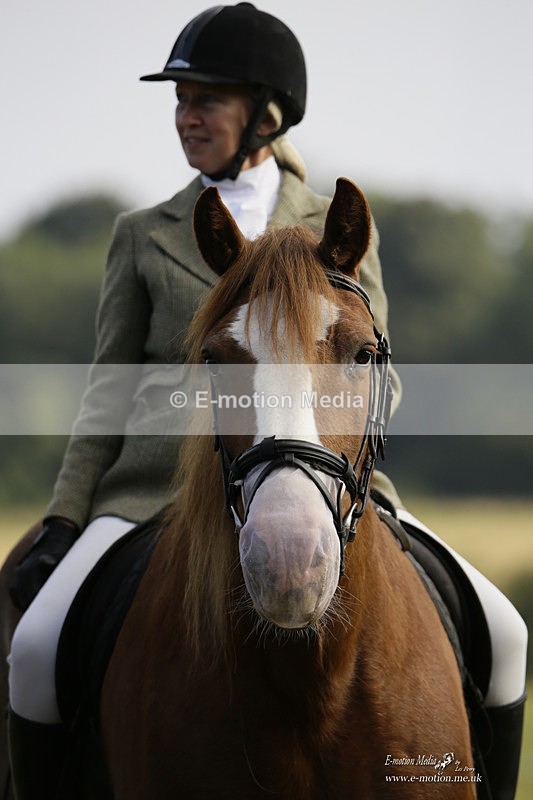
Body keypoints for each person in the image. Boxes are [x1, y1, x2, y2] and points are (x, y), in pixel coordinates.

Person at [6, 4, 526, 799]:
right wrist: (66, 514)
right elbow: (106, 393)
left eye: (206, 98)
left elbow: (379, 372)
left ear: (264, 113)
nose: (187, 116)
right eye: (180, 100)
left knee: (504, 631)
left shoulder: (336, 228)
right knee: (37, 647)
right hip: (151, 494)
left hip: (332, 481)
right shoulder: (143, 234)